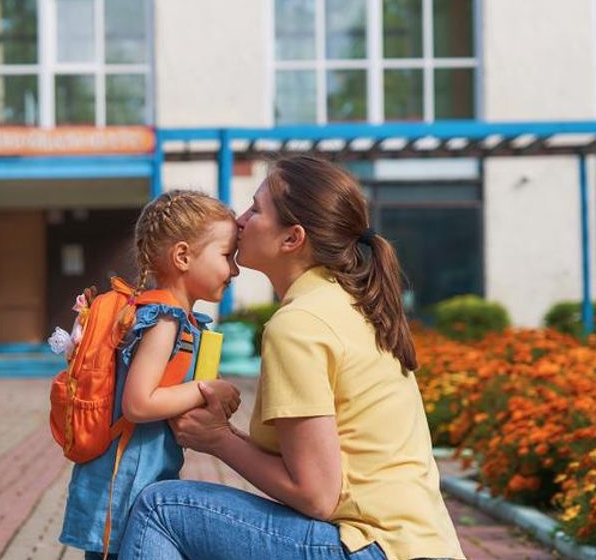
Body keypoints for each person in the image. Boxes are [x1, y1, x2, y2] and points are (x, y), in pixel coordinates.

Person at [118, 157, 467, 560]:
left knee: (161, 508)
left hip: (372, 547)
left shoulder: (299, 324)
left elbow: (316, 496)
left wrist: (218, 440)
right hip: (415, 545)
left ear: (292, 239)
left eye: (255, 208)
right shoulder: (343, 303)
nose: (240, 219)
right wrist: (222, 434)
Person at [60, 190, 243, 560]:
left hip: (133, 485)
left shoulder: (175, 319)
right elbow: (139, 403)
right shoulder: (164, 320)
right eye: (227, 256)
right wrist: (209, 389)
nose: (235, 270)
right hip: (124, 489)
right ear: (182, 256)